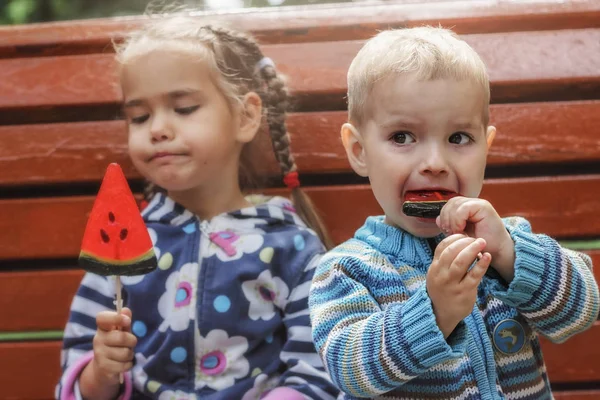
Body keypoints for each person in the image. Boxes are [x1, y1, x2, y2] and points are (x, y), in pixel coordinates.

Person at [57, 11, 339, 400]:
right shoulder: (124, 248)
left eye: (184, 108)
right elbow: (76, 369)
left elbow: (319, 367)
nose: (157, 128)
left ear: (245, 116)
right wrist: (100, 374)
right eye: (139, 116)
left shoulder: (290, 246)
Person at [309, 26, 599, 399]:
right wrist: (435, 311)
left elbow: (582, 310)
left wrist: (510, 254)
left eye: (458, 138)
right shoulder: (348, 269)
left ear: (486, 146)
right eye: (402, 137)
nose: (434, 163)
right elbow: (350, 369)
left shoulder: (506, 243)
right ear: (359, 150)